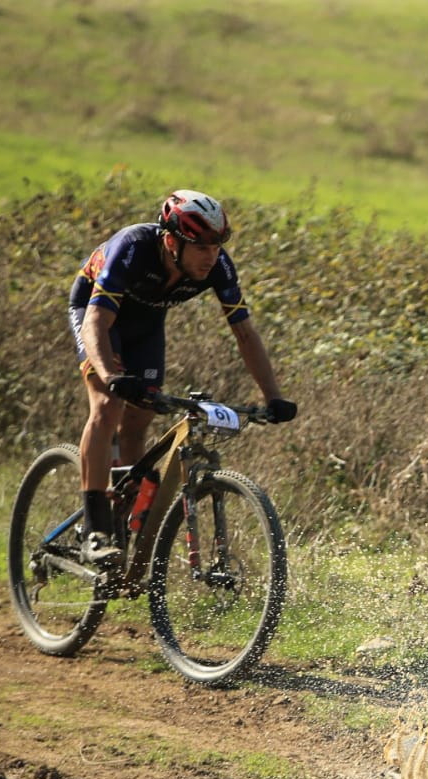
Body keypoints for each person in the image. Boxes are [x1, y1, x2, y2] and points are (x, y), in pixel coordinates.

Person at [67, 189, 297, 565]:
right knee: (108, 404)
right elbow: (97, 320)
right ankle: (95, 528)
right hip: (96, 313)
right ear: (172, 241)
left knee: (141, 416)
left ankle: (122, 523)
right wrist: (110, 373)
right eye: (201, 247)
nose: (212, 256)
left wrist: (273, 396)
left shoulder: (218, 266)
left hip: (147, 322)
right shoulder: (132, 248)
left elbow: (244, 333)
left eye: (218, 246)